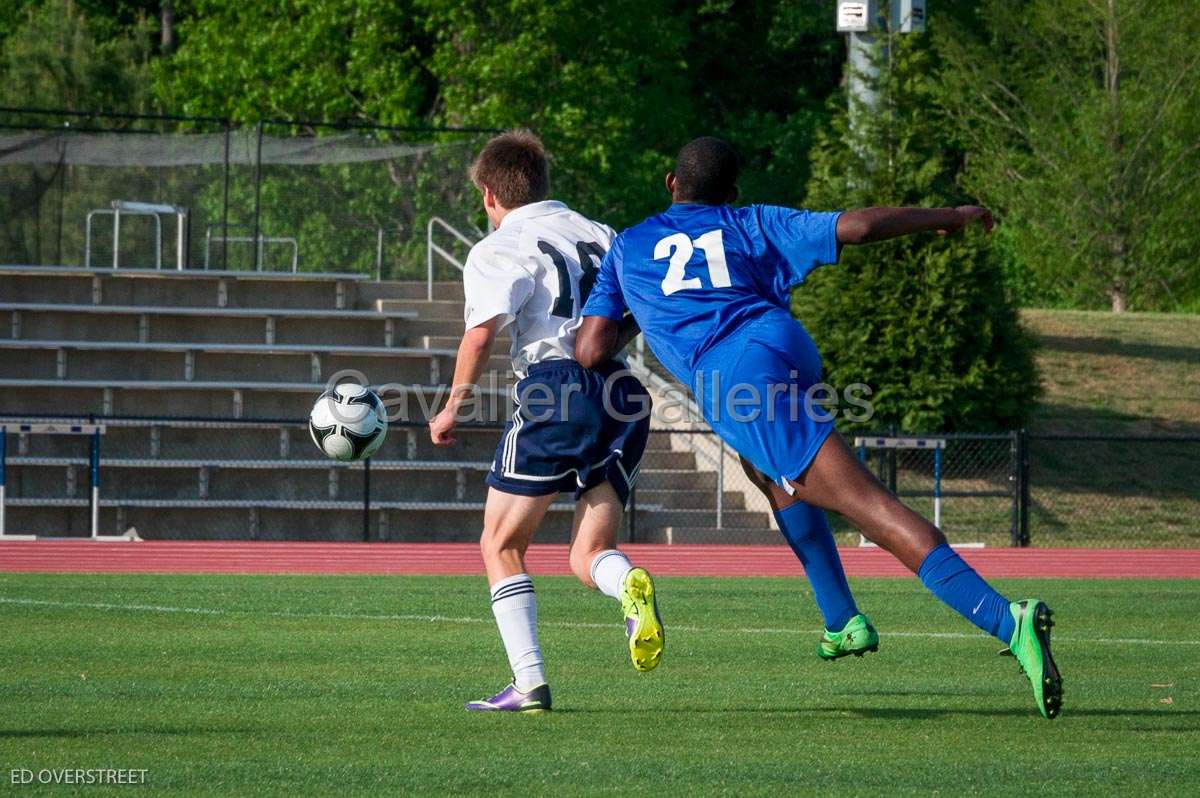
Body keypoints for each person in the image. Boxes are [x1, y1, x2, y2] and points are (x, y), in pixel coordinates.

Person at [575, 136, 1061, 719]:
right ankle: (841, 619)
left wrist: (643, 304)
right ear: (730, 194)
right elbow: (855, 227)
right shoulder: (752, 220)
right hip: (781, 342)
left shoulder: (629, 247)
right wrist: (946, 217)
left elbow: (591, 348)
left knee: (867, 505)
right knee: (771, 474)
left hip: (735, 377)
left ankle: (1010, 621)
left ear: (669, 183)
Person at [428, 130, 664, 714]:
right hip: (622, 392)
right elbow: (637, 312)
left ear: (489, 193)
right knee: (589, 552)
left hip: (556, 390)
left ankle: (528, 683)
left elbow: (482, 332)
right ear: (542, 182)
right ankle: (626, 582)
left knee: (500, 543)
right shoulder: (602, 233)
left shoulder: (499, 246)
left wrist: (454, 404)